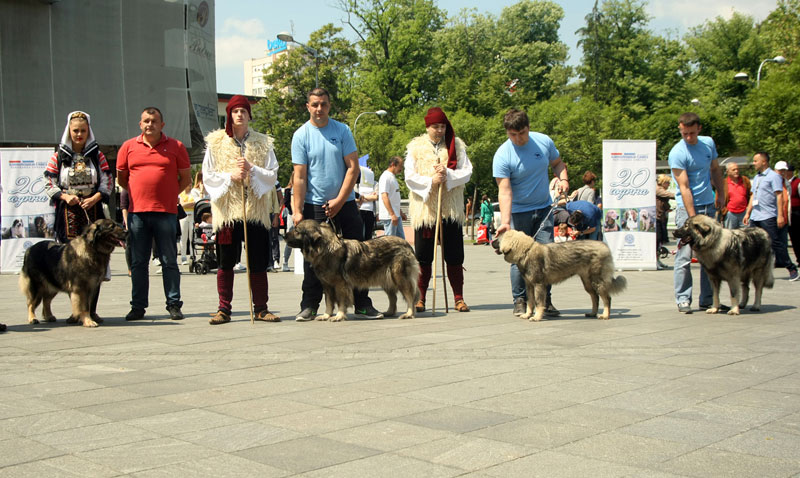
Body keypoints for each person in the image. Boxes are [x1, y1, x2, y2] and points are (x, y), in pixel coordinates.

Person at [291, 87, 383, 321]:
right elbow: (299, 177)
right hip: (314, 205)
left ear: (329, 106)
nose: (319, 108)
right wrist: (297, 211)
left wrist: (340, 200)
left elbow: (353, 168)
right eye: (314, 104)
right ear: (308, 107)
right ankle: (310, 305)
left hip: (346, 202)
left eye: (323, 104)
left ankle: (362, 304)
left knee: (359, 255)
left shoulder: (342, 130)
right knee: (313, 258)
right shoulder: (301, 135)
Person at [202, 95, 281, 324]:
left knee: (257, 260)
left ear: (249, 115)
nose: (239, 115)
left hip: (255, 211)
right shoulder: (216, 142)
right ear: (229, 114)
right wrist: (231, 176)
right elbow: (208, 176)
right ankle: (224, 308)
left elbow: (272, 173)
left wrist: (252, 170)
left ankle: (261, 308)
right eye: (235, 111)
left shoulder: (263, 142)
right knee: (226, 261)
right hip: (228, 212)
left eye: (243, 111)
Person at [117, 107, 191, 321]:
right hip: (137, 213)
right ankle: (138, 307)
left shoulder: (176, 146)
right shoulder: (128, 147)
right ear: (140, 124)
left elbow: (185, 179)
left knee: (169, 260)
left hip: (166, 213)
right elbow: (122, 179)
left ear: (162, 125)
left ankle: (174, 304)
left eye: (154, 121)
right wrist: (139, 193)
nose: (150, 124)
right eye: (146, 121)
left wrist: (168, 194)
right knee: (138, 262)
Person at [493, 108, 567, 317]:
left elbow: (558, 164)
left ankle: (546, 300)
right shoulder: (502, 155)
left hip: (544, 208)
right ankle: (520, 300)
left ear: (528, 128)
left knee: (546, 257)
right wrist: (506, 222)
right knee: (519, 258)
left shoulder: (543, 142)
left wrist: (563, 179)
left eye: (522, 133)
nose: (518, 139)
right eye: (512, 135)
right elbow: (505, 191)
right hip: (518, 211)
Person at [405, 107, 473, 313]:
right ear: (428, 127)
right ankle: (421, 297)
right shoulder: (416, 148)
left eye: (442, 126)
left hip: (450, 209)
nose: (439, 130)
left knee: (454, 255)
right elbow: (409, 176)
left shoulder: (456, 146)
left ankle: (459, 298)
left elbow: (467, 171)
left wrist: (448, 175)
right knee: (423, 256)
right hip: (427, 210)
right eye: (435, 126)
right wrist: (431, 181)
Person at [669, 112, 725, 314]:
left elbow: (716, 170)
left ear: (699, 129)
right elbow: (684, 187)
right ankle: (683, 298)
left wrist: (721, 193)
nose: (689, 138)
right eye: (685, 133)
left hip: (709, 205)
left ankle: (709, 299)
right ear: (680, 129)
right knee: (684, 254)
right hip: (687, 208)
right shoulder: (677, 152)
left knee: (710, 255)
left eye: (692, 133)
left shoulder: (708, 143)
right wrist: (693, 219)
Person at [44, 111, 112, 244]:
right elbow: (49, 183)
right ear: (69, 131)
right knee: (68, 253)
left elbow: (107, 181)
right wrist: (66, 197)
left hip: (93, 208)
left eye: (83, 130)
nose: (79, 134)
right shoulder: (58, 157)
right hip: (67, 210)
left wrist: (94, 198)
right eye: (75, 130)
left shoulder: (98, 156)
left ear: (88, 131)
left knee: (94, 250)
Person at [743, 153, 799, 281]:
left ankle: (791, 268)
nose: (754, 163)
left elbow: (779, 196)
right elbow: (753, 196)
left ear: (764, 162)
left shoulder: (774, 176)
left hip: (768, 216)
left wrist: (780, 215)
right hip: (756, 216)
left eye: (756, 161)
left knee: (775, 243)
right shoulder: (756, 177)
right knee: (753, 243)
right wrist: (748, 213)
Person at [378, 156, 407, 238]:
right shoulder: (385, 177)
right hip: (390, 216)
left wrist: (400, 213)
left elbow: (394, 198)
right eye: (400, 166)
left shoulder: (392, 177)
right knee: (390, 243)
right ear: (393, 164)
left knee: (400, 241)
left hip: (396, 215)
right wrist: (392, 214)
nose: (401, 169)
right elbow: (384, 196)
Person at [781, 163, 800, 268]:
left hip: (796, 213)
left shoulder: (797, 182)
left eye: (786, 171)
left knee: (797, 237)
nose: (784, 173)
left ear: (790, 172)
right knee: (791, 238)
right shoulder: (782, 182)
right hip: (786, 213)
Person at [722, 163, 750, 229]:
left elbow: (751, 194)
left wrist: (748, 209)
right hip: (730, 213)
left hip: (744, 213)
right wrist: (724, 211)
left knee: (746, 235)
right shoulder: (723, 183)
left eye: (737, 169)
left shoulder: (744, 180)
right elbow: (718, 198)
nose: (736, 171)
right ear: (727, 172)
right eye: (733, 170)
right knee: (730, 235)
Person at [656, 174, 674, 269]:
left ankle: (658, 259)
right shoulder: (658, 189)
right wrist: (681, 194)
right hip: (657, 218)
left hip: (661, 217)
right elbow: (670, 195)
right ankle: (655, 260)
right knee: (657, 240)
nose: (669, 184)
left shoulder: (660, 189)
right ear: (663, 182)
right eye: (668, 182)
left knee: (660, 241)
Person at [356, 164, 379, 240]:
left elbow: (376, 197)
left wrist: (362, 197)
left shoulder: (375, 183)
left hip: (370, 211)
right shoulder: (357, 183)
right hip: (360, 210)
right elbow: (355, 198)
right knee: (359, 232)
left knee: (369, 233)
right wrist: (369, 197)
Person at [178, 184, 195, 265]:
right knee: (183, 237)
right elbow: (182, 204)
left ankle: (192, 255)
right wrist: (190, 203)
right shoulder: (181, 194)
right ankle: (183, 257)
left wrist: (187, 203)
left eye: (191, 184)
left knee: (192, 237)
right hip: (183, 216)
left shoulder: (193, 193)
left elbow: (196, 202)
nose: (190, 186)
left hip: (192, 215)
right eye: (188, 184)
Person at [281, 173, 294, 272]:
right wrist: (293, 212)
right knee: (290, 238)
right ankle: (285, 261)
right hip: (291, 214)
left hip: (301, 213)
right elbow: (286, 202)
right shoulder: (288, 189)